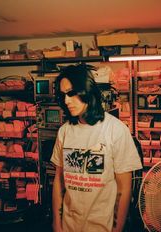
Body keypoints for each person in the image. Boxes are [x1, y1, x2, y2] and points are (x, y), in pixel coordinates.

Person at [50, 64, 142, 232]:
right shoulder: (64, 132)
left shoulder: (116, 130)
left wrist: (117, 228)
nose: (66, 100)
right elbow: (58, 181)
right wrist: (57, 223)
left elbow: (124, 188)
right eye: (63, 95)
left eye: (71, 93)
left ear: (87, 90)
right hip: (69, 226)